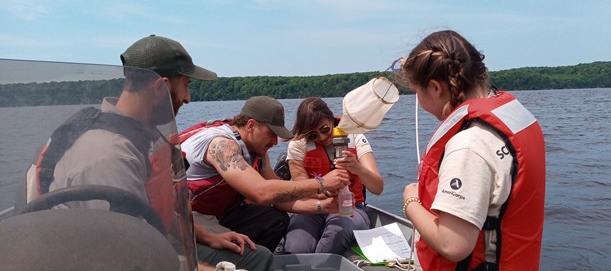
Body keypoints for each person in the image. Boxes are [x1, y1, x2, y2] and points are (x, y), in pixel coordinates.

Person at [24, 35, 272, 271]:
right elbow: (122, 257)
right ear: (160, 87)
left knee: (257, 256)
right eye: (186, 85)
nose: (187, 98)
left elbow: (152, 213)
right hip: (107, 259)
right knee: (257, 262)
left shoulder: (136, 137)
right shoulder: (111, 157)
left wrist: (209, 236)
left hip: (145, 245)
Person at [399, 30, 546, 270]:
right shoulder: (513, 116)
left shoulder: (468, 145)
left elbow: (453, 244)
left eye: (418, 93)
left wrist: (411, 201)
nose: (420, 103)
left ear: (436, 88)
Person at [180, 96, 350, 252]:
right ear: (251, 125)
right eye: (272, 134)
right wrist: (321, 183)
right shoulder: (221, 145)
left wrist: (322, 206)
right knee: (260, 255)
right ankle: (246, 260)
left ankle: (243, 258)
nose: (275, 142)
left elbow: (277, 198)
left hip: (219, 213)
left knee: (276, 219)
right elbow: (261, 193)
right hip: (186, 218)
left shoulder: (257, 149)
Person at [281, 97, 384, 255]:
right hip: (312, 208)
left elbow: (377, 188)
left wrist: (358, 168)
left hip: (351, 208)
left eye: (324, 129)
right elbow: (301, 189)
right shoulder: (297, 145)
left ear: (331, 120)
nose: (321, 138)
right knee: (297, 247)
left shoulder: (355, 135)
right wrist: (325, 190)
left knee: (334, 237)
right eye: (313, 135)